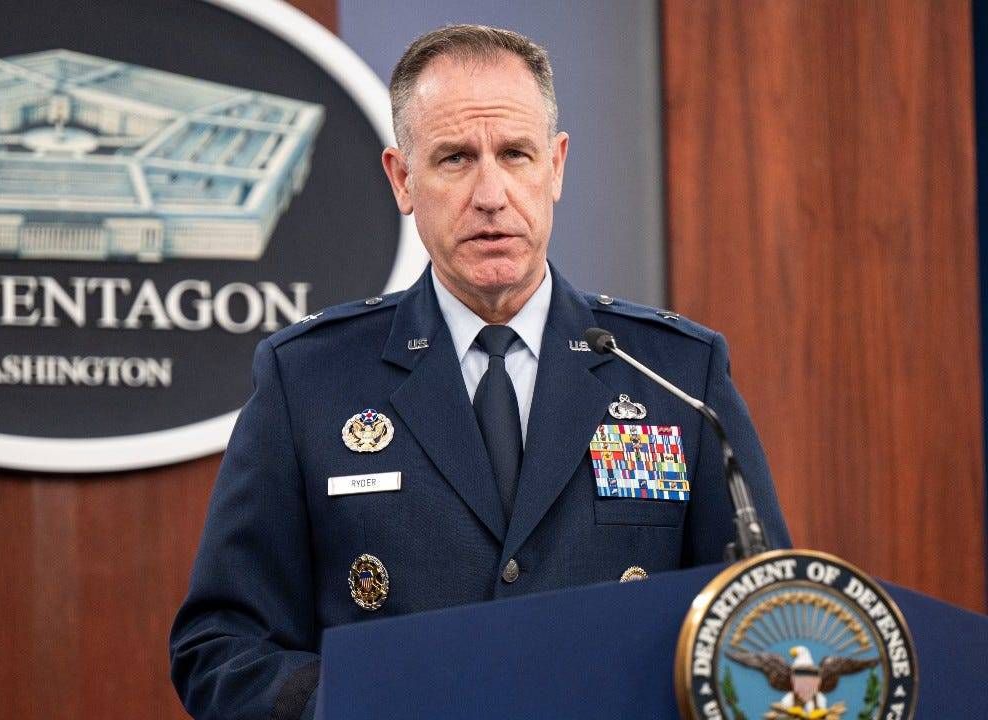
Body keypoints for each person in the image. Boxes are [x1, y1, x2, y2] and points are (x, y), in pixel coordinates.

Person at [170, 24, 790, 720]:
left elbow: (763, 623)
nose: (491, 193)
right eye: (456, 158)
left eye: (516, 154)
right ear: (402, 180)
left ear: (556, 167)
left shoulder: (675, 375)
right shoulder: (310, 380)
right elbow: (220, 648)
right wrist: (364, 703)